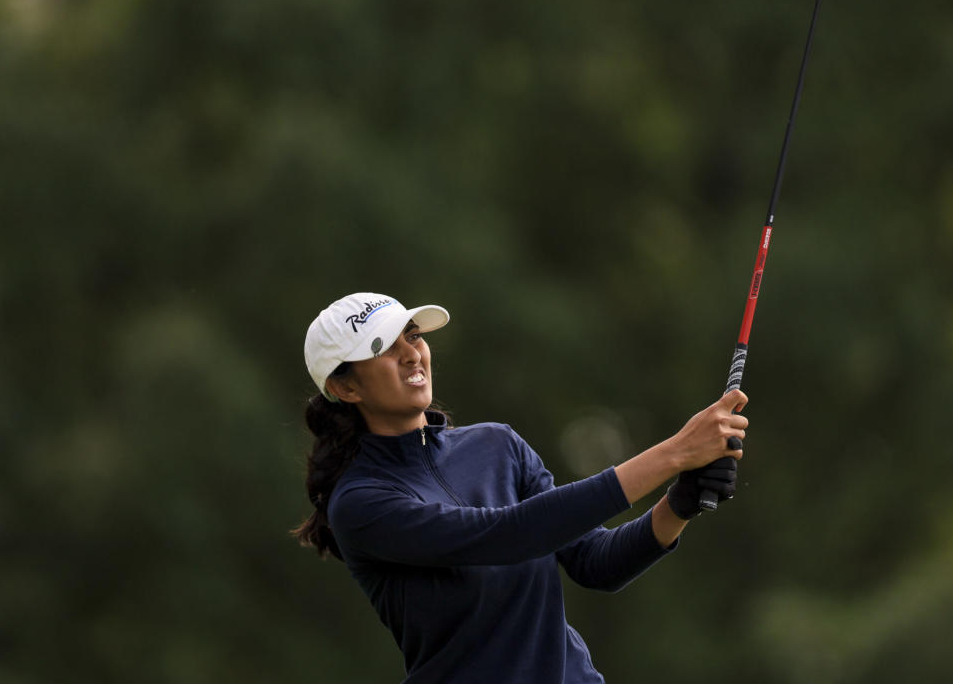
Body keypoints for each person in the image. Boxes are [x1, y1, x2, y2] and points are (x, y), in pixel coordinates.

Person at [293, 292, 748, 683]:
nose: (411, 354)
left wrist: (679, 503)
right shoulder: (360, 503)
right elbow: (508, 535)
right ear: (345, 387)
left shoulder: (497, 445)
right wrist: (674, 454)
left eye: (412, 336)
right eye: (382, 347)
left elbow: (596, 563)